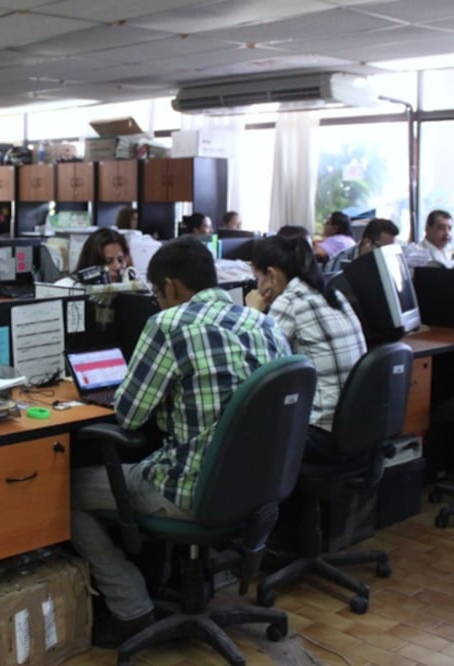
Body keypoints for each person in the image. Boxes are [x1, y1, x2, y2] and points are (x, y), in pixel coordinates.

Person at [69, 238, 291, 648]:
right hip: (259, 488)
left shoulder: (168, 326)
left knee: (62, 494)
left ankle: (130, 606)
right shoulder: (263, 324)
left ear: (170, 286)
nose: (155, 302)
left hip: (192, 491)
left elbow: (130, 415)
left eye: (155, 293)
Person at [249, 235, 366, 459]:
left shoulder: (289, 302)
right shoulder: (333, 294)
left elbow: (255, 368)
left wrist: (253, 313)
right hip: (356, 428)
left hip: (321, 433)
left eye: (257, 278)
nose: (257, 286)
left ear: (272, 275)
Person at [331, 218, 399, 269]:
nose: (386, 254)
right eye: (383, 249)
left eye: (390, 250)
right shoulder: (342, 259)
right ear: (367, 243)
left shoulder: (389, 262)